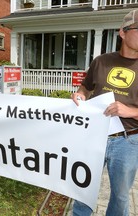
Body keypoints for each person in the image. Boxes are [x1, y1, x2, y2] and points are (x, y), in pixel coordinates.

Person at [71, 10, 138, 216]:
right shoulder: (101, 61)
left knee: (120, 196)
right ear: (122, 32)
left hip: (128, 141)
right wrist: (79, 96)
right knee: (83, 188)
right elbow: (84, 89)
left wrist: (131, 111)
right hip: (94, 135)